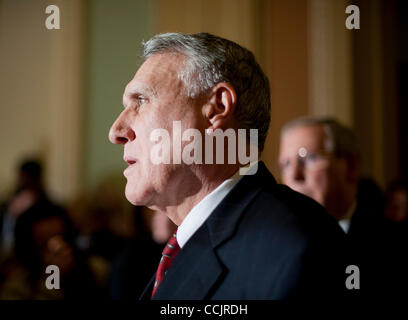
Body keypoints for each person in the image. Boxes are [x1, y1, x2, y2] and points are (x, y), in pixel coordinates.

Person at [109, 32, 349, 300]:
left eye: (140, 101)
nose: (116, 131)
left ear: (216, 108)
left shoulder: (291, 244)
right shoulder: (169, 254)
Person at [278, 117, 390, 297]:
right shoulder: (275, 243)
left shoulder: (391, 245)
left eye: (309, 158)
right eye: (286, 164)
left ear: (351, 166)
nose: (294, 176)